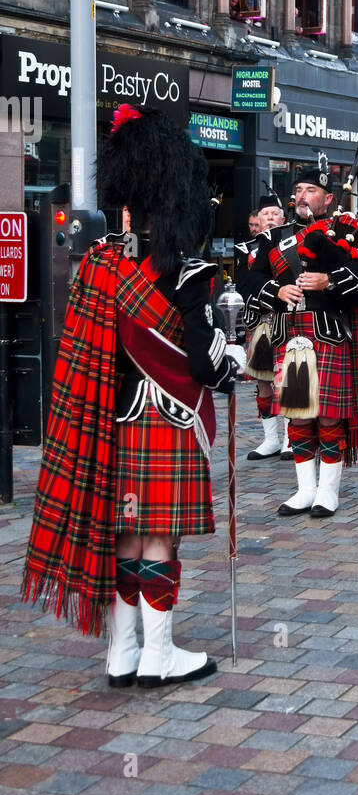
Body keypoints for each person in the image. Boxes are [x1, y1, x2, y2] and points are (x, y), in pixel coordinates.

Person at [21, 106, 244, 687]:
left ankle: (120, 654)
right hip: (169, 421)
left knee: (124, 532)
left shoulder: (99, 266)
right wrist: (232, 363)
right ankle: (158, 656)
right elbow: (201, 363)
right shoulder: (190, 274)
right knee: (159, 537)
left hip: (114, 418)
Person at [246, 159, 358, 519]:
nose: (303, 197)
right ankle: (305, 490)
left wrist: (330, 282)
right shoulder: (274, 237)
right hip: (288, 336)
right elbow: (250, 281)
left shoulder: (346, 231)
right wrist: (278, 289)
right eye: (298, 191)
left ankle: (328, 491)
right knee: (298, 417)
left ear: (327, 197)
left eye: (311, 191)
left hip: (328, 334)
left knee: (329, 418)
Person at [237, 196, 291, 461]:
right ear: (258, 220)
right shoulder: (246, 249)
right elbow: (242, 284)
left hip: (286, 317)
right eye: (265, 213)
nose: (269, 217)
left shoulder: (292, 242)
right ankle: (271, 439)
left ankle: (292, 439)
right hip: (258, 319)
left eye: (274, 213)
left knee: (288, 379)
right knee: (263, 381)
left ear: (282, 219)